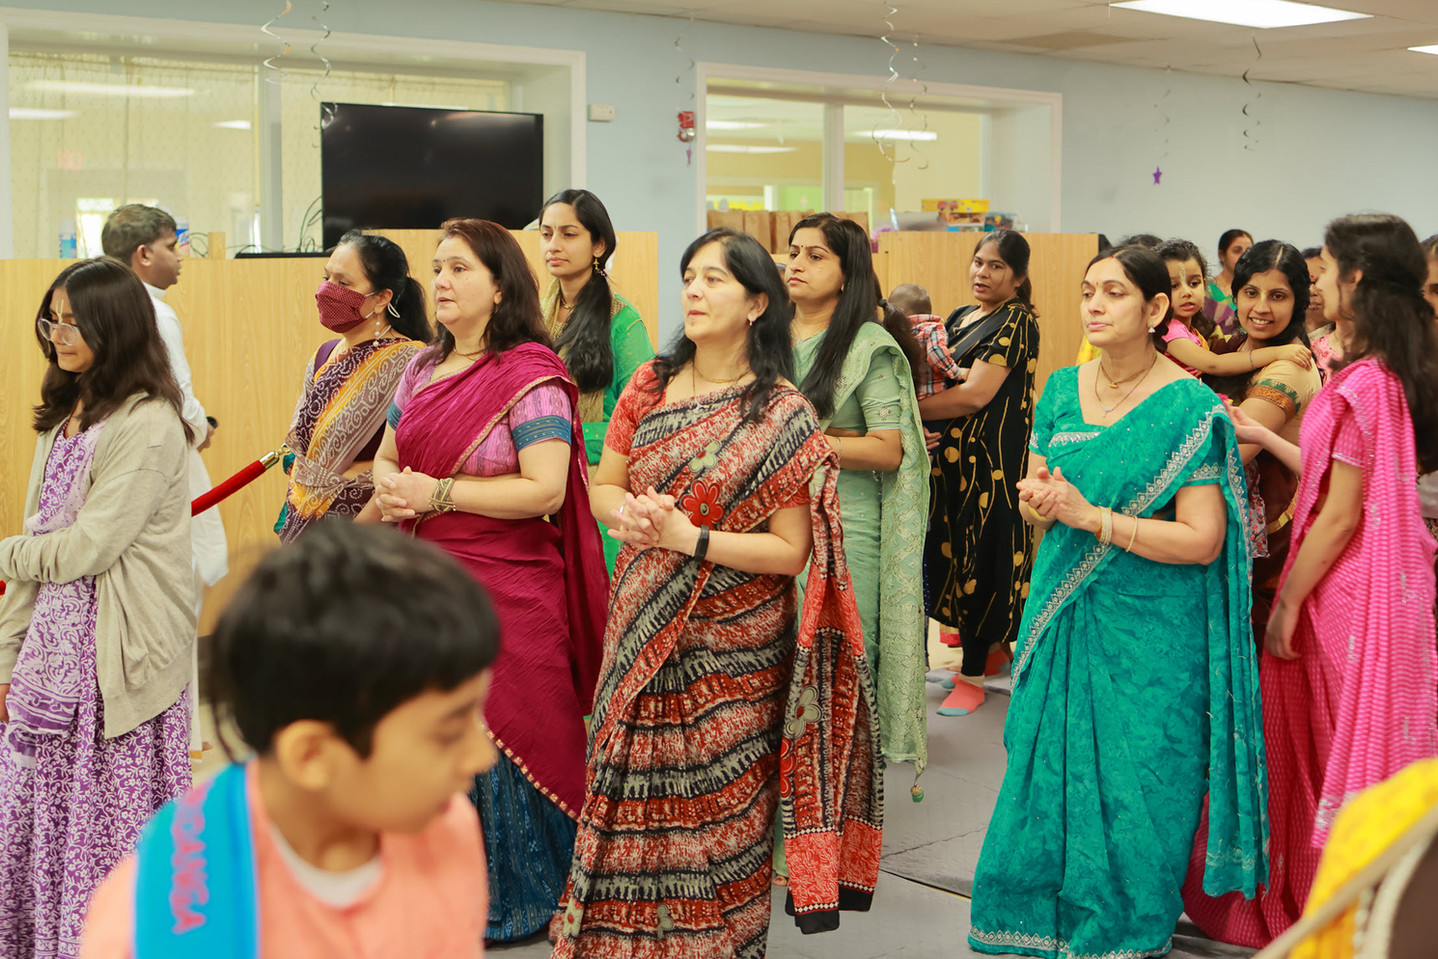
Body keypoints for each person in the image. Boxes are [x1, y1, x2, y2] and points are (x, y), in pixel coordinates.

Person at [551, 228, 882, 958]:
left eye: (714, 280)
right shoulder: (650, 384)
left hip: (735, 647)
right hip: (642, 616)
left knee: (721, 811)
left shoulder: (784, 413)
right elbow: (603, 485)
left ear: (757, 303)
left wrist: (689, 538)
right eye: (689, 278)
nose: (694, 292)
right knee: (626, 787)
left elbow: (790, 551)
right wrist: (630, 516)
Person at [968, 245, 1266, 958]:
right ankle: (1030, 918)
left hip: (1152, 632)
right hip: (1064, 610)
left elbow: (1202, 539)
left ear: (1156, 308)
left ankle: (1126, 928)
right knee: (1042, 765)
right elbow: (1039, 497)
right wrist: (1040, 501)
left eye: (1114, 292)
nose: (1095, 305)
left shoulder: (1191, 407)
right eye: (1087, 291)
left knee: (1144, 778)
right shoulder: (1061, 389)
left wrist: (1091, 517)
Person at [1183, 213, 1438, 948]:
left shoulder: (1365, 381)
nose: (1317, 282)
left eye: (1323, 270)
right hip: (1366, 583)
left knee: (1320, 753)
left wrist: (1289, 600)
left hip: (1343, 592)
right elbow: (1339, 478)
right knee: (1316, 749)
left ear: (1354, 278)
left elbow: (1340, 513)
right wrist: (1267, 436)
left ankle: (1331, 909)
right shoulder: (1386, 371)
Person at [79, 521, 498, 958]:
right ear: (312, 755)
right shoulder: (149, 926)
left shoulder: (447, 830)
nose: (482, 756)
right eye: (449, 733)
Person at [371, 218, 607, 943]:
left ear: (501, 286)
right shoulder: (419, 368)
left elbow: (544, 489)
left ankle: (522, 892)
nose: (440, 281)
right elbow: (386, 457)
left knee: (511, 726)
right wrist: (393, 487)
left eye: (459, 268)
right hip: (421, 582)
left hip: (508, 584)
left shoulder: (530, 373)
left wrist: (438, 493)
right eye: (437, 268)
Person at [0, 258, 195, 958]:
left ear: (115, 327)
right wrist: (7, 658)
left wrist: (7, 552)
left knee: (105, 832)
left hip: (116, 664)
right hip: (49, 665)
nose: (58, 334)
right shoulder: (64, 417)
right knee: (36, 820)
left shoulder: (148, 423)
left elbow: (88, 547)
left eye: (74, 323)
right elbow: (37, 549)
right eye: (51, 320)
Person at [785, 212, 929, 771]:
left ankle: (841, 785)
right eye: (793, 252)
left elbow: (888, 450)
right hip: (772, 514)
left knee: (840, 654)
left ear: (848, 275)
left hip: (846, 521)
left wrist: (808, 443)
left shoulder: (869, 345)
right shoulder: (764, 334)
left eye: (815, 255)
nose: (797, 264)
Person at [101, 204, 225, 756]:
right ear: (143, 254)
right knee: (179, 590)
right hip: (165, 462)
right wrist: (203, 429)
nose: (181, 258)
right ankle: (176, 735)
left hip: (117, 464)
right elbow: (178, 397)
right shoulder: (155, 311)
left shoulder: (95, 305)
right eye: (173, 246)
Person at [919, 231, 1039, 716]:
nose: (982, 273)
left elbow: (974, 395)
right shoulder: (959, 316)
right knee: (951, 557)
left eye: (996, 266)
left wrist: (907, 411)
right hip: (949, 465)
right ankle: (990, 657)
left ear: (1019, 277)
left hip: (990, 466)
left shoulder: (1017, 321)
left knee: (981, 559)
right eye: (978, 262)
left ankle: (971, 676)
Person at [1202, 240, 1320, 647]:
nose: (1261, 308)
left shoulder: (1290, 367)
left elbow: (1229, 453)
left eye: (1278, 296)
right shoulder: (1233, 349)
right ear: (1234, 295)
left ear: (1298, 302)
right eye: (1251, 292)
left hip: (1268, 540)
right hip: (1221, 523)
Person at [277, 231, 430, 542]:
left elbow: (410, 463)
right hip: (305, 523)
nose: (327, 290)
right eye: (327, 278)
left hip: (366, 535)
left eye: (343, 283)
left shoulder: (411, 361)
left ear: (381, 298)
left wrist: (353, 537)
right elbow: (303, 453)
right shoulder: (324, 354)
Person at [539, 189, 655, 571]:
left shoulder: (623, 322)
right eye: (546, 234)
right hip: (537, 485)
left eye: (568, 234)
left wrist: (558, 436)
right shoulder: (534, 318)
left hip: (599, 489)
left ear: (599, 245)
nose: (554, 245)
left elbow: (645, 420)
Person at [1154, 238, 1314, 380]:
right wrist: (1277, 353)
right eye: (1173, 286)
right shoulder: (1169, 330)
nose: (1186, 292)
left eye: (1194, 283)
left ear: (1204, 284)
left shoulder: (1190, 330)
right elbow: (1214, 364)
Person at [889, 282, 967, 399]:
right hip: (930, 396)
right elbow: (935, 351)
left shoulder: (892, 333)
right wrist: (957, 372)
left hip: (903, 398)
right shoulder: (933, 328)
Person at [1200, 228, 1254, 340]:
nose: (1244, 256)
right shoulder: (1205, 289)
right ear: (1222, 255)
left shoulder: (1254, 291)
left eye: (1248, 251)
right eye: (1237, 251)